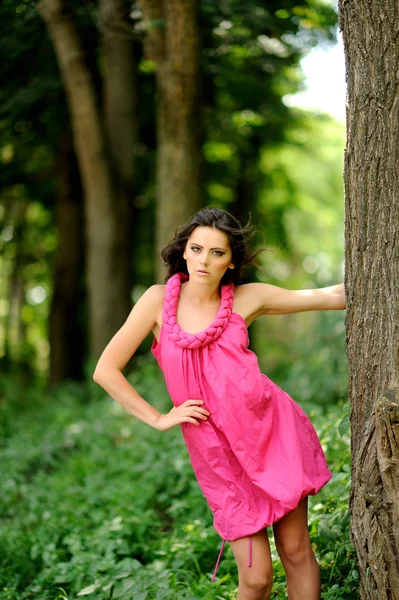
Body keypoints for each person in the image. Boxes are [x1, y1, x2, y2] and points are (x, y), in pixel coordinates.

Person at [93, 207, 346, 600]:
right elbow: (106, 369)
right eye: (196, 249)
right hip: (218, 458)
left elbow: (329, 296)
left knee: (296, 553)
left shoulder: (249, 298)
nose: (203, 260)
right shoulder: (157, 302)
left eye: (216, 253)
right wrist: (159, 418)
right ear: (184, 251)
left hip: (273, 437)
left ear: (231, 262)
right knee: (257, 578)